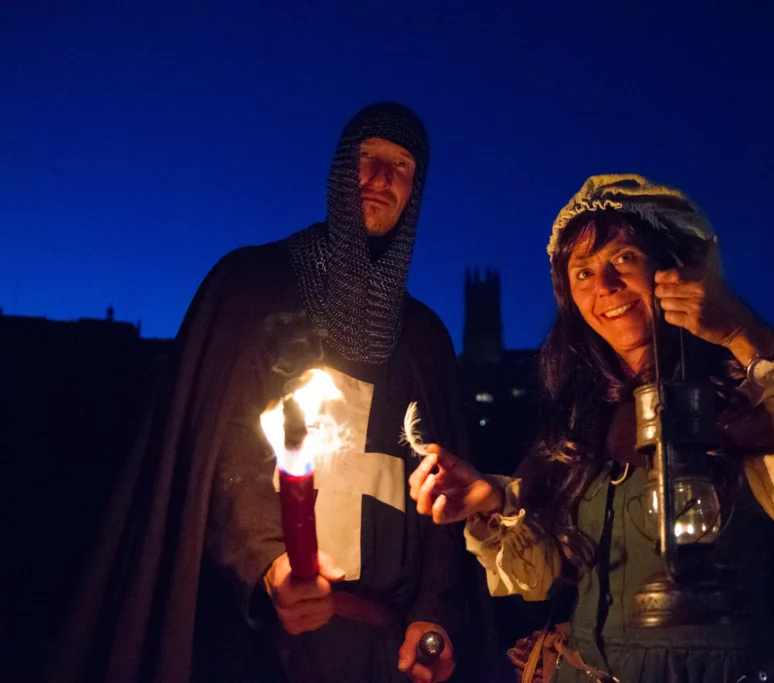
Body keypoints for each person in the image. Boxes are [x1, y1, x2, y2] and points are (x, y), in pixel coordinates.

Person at [409, 174, 774, 682]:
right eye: (582, 272)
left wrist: (739, 328)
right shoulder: (583, 414)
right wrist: (490, 501)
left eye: (623, 258)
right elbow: (540, 577)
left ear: (675, 270)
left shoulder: (755, 397)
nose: (603, 287)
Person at [54, 102, 483, 683]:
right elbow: (220, 456)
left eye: (401, 165)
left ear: (416, 189)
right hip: (267, 643)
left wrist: (434, 610)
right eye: (367, 159)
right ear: (338, 170)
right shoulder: (252, 287)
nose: (381, 179)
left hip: (394, 648)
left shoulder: (424, 337)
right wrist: (270, 563)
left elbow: (441, 487)